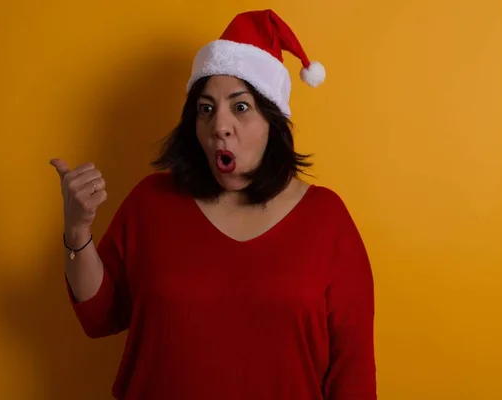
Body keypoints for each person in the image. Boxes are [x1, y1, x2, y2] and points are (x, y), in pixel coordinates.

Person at [50, 9, 377, 400]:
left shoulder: (326, 220)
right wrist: (77, 232)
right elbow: (99, 316)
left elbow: (353, 374)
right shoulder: (152, 203)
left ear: (273, 121)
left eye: (240, 107)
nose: (220, 125)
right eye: (206, 108)